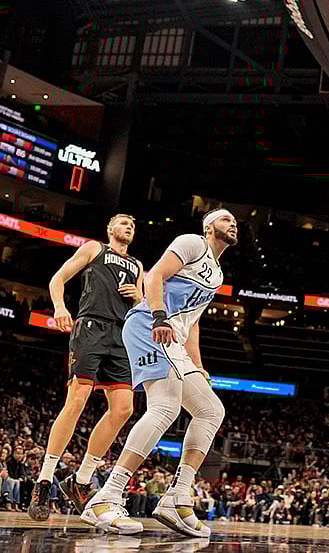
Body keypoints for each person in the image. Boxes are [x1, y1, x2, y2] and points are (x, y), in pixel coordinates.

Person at [81, 209, 236, 537]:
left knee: (210, 411)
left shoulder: (218, 274)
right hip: (148, 325)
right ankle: (105, 497)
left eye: (234, 222)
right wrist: (159, 316)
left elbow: (192, 322)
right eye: (226, 219)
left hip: (174, 339)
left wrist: (198, 365)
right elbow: (154, 277)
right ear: (209, 227)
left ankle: (177, 498)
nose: (233, 224)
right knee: (164, 407)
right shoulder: (193, 243)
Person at [28, 214, 143, 520]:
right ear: (110, 229)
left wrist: (140, 297)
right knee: (77, 400)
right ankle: (44, 480)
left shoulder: (138, 266)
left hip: (122, 334)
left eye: (132, 225)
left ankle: (80, 480)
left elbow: (142, 308)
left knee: (123, 409)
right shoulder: (95, 249)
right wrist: (60, 307)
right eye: (123, 223)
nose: (129, 227)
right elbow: (57, 278)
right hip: (92, 327)